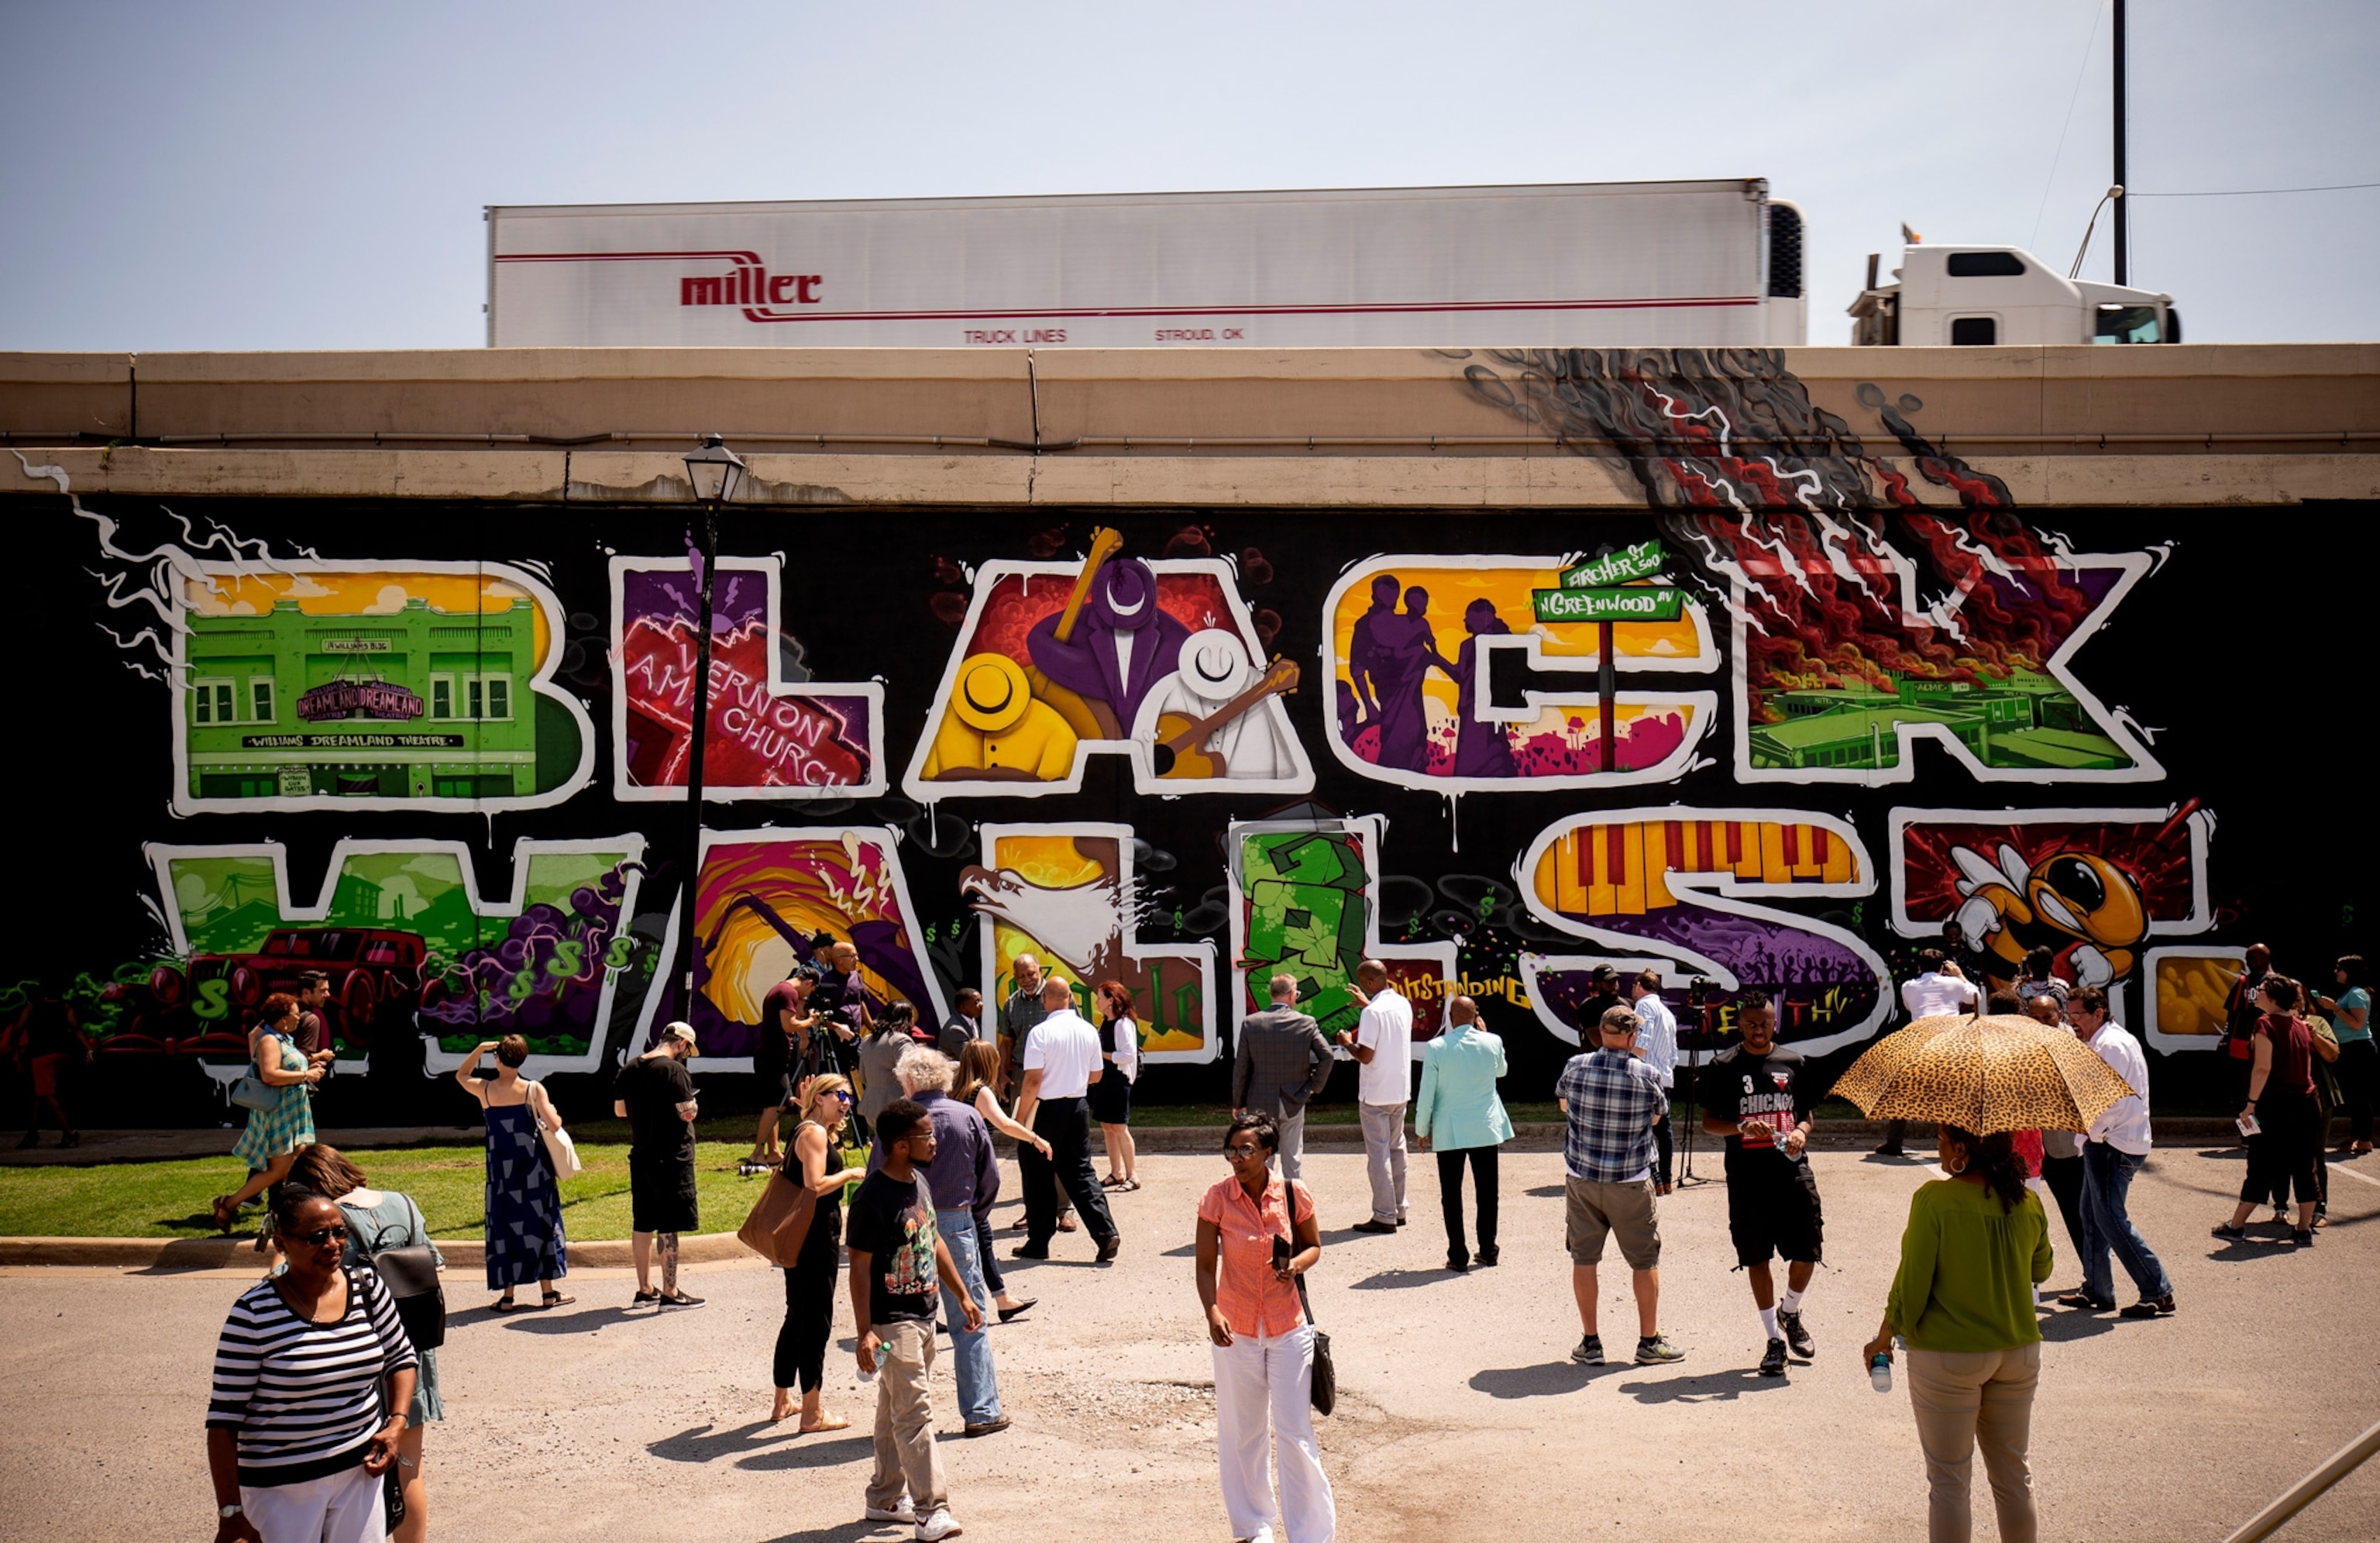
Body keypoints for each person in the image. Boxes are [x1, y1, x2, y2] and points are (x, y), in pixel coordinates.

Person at [1863, 1125, 2053, 1543]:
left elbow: (1911, 1288)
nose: (1938, 1146)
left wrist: (1883, 1338)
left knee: (1950, 1483)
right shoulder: (2028, 1201)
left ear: (1961, 1150)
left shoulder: (1934, 1200)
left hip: (1949, 1356)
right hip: (2019, 1350)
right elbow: (2042, 1271)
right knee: (2013, 1475)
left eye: (1941, 1140)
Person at [206, 1187, 418, 1543]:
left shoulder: (367, 1288)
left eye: (340, 1232)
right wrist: (230, 1513)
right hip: (281, 1491)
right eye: (317, 1236)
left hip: (360, 1478)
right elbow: (224, 1420)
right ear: (281, 1243)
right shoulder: (253, 1314)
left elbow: (401, 1357)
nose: (333, 1244)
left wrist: (397, 1423)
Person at [287, 1145, 442, 1543]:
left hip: (359, 1353)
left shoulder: (331, 1220)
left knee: (358, 1475)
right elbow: (434, 1262)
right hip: (414, 1349)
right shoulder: (403, 1203)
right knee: (409, 1467)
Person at [1195, 1113, 1334, 1543]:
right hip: (1236, 1329)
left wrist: (1294, 1265)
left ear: (1268, 1152)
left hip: (1288, 1327)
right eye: (1232, 1150)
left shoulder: (1293, 1194)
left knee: (1295, 1432)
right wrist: (1212, 1311)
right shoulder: (1217, 1198)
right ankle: (1255, 1527)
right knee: (1244, 1432)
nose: (1236, 1158)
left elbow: (1314, 1245)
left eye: (1246, 1150)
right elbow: (1204, 1265)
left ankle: (1311, 1533)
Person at [846, 1097, 981, 1541]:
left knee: (893, 1408)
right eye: (927, 1136)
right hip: (892, 1322)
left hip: (925, 1313)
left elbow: (933, 1237)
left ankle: (884, 1497)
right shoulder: (871, 1198)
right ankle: (931, 1510)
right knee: (916, 1412)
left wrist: (962, 1294)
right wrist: (865, 1331)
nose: (936, 1141)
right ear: (902, 1145)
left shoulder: (918, 1181)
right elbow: (860, 1267)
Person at [1698, 992, 1824, 1376]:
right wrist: (1739, 1127)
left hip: (1792, 1169)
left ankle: (1790, 1312)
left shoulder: (1792, 1062)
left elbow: (1806, 1115)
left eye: (1765, 1023)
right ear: (1740, 1025)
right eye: (1751, 1023)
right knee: (1756, 1257)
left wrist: (1801, 1131)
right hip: (1747, 1176)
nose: (1758, 1030)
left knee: (1807, 1250)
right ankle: (1773, 1340)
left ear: (1775, 1024)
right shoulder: (1723, 1066)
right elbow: (1708, 1123)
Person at [886, 1046, 1008, 1436]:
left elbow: (879, 1175)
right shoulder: (968, 1115)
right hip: (957, 1219)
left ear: (908, 1082)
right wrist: (974, 1214)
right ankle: (981, 1410)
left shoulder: (896, 1123)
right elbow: (989, 1175)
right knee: (969, 1317)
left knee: (903, 1321)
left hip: (907, 1220)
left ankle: (905, 1413)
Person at [1556, 1006, 1685, 1366]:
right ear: (1632, 1038)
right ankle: (1648, 1342)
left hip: (1582, 1178)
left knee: (1584, 1259)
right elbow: (1658, 1117)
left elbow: (1564, 1106)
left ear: (1600, 1031)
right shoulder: (1647, 1074)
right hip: (1630, 1181)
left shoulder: (1576, 1066)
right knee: (1644, 1261)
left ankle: (1591, 1343)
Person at [2055, 985, 2175, 1314]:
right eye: (2070, 1015)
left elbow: (2107, 1101)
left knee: (2110, 1220)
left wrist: (2087, 1130)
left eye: (2078, 1015)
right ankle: (2097, 1289)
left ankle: (2157, 1289)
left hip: (2111, 1143)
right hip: (2111, 1140)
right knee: (2092, 1217)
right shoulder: (2108, 1040)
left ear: (2098, 1013)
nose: (2073, 1021)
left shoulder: (2109, 1045)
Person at [772, 1074, 865, 1431]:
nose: (846, 1102)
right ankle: (811, 1412)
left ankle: (783, 1401)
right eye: (839, 1095)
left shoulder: (807, 1129)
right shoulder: (813, 1133)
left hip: (801, 1234)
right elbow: (815, 1185)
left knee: (796, 1315)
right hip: (814, 1235)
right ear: (819, 1097)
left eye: (850, 1097)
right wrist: (851, 1173)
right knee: (816, 1320)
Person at [455, 1035, 572, 1311]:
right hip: (534, 1168)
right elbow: (554, 1125)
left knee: (506, 1226)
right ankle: (548, 1292)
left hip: (501, 1171)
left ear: (497, 1058)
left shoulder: (485, 1090)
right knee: (542, 1223)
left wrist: (481, 1048)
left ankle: (508, 1297)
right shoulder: (533, 1089)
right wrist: (553, 1113)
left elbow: (461, 1074)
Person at [1013, 977, 1122, 1263]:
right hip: (1077, 1107)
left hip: (1045, 1110)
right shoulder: (1088, 1030)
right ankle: (1105, 1233)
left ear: (1045, 1000)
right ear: (1071, 998)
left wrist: (1022, 1119)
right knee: (1081, 1172)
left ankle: (1039, 1241)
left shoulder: (1040, 1032)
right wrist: (1072, 1079)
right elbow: (1097, 1076)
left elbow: (1033, 1079)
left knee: (1037, 1175)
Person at [2215, 976, 2321, 1246]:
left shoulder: (2265, 1023)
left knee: (2261, 1163)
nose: (2256, 993)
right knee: (2304, 1165)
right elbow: (2306, 1065)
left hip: (2277, 1102)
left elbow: (2263, 1067)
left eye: (2260, 991)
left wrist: (2251, 1103)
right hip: (2308, 1099)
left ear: (2272, 997)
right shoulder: (2300, 1024)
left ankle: (2236, 1225)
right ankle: (2303, 1229)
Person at [1412, 995, 1513, 1273]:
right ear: (1475, 1016)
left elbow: (1427, 1092)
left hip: (1450, 1129)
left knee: (1452, 1195)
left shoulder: (1436, 1047)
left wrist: (1422, 1128)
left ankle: (1458, 1256)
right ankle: (1489, 1250)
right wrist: (1485, 1033)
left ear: (1451, 1018)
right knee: (1487, 1192)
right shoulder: (1493, 1041)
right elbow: (1502, 1071)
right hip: (1484, 1127)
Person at [212, 994, 324, 1233]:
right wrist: (306, 1076)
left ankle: (285, 1216)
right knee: (279, 1170)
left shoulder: (284, 1039)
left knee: (297, 1165)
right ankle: (228, 1203)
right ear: (283, 1019)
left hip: (296, 1111)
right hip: (279, 1113)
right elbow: (270, 1075)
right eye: (295, 1015)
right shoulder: (269, 1041)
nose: (299, 1019)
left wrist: (310, 1069)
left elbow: (287, 1068)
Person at [951, 1041, 1044, 1321]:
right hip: (974, 1168)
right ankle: (1000, 1300)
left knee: (972, 1235)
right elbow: (1003, 1124)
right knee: (980, 1234)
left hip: (957, 1167)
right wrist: (1035, 1138)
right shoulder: (980, 1092)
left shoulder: (955, 1090)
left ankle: (1001, 1298)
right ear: (987, 1063)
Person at [612, 1021, 703, 1307]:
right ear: (682, 1044)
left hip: (642, 1154)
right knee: (668, 1223)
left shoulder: (630, 1068)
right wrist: (694, 1106)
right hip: (672, 1156)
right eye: (687, 1050)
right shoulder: (674, 1070)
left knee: (643, 1221)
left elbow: (619, 1110)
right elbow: (687, 1114)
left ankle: (644, 1288)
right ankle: (670, 1291)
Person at [1232, 975, 1334, 1181]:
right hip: (1295, 1099)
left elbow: (1241, 1067)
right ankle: (1293, 1207)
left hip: (1259, 1101)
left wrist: (1238, 1103)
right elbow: (1327, 1056)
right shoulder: (1306, 1023)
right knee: (1293, 1162)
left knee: (1261, 1159)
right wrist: (1314, 1086)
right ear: (1290, 994)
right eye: (1296, 993)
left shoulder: (1251, 1023)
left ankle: (1261, 1207)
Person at [1336, 959, 1413, 1231]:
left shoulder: (1373, 1013)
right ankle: (1399, 1208)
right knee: (1397, 1149)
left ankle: (1384, 1214)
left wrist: (1347, 1044)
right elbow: (1386, 1024)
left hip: (1376, 1093)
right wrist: (1367, 1006)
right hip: (1399, 1090)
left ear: (1369, 983)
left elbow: (1365, 1056)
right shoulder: (1402, 1004)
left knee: (1379, 1156)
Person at [1883, 949, 1981, 1156]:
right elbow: (1976, 997)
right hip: (1950, 1043)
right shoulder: (1954, 983)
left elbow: (1910, 1008)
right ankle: (1959, 1141)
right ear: (1942, 968)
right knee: (1955, 1093)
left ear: (1919, 967)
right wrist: (1959, 975)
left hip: (1919, 1042)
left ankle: (1894, 1142)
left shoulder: (1908, 986)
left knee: (1902, 1092)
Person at [749, 963, 810, 1168]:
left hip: (772, 1055)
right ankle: (758, 1153)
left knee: (777, 1103)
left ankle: (774, 1152)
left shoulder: (781, 989)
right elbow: (789, 1025)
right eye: (810, 991)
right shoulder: (787, 992)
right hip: (772, 1056)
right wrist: (812, 1022)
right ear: (809, 983)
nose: (806, 998)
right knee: (776, 1104)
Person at [9, 989, 87, 1149]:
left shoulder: (32, 1007)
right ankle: (32, 1134)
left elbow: (17, 1028)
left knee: (45, 1094)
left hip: (41, 1055)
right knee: (39, 1093)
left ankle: (69, 1133)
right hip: (60, 1054)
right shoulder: (65, 1007)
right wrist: (88, 1048)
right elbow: (76, 1028)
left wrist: (13, 1046)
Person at [2313, 956, 2373, 1156]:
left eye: (2340, 969)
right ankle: (2356, 1135)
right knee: (2353, 1094)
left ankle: (2364, 1139)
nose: (2336, 972)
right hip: (2349, 1047)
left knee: (2360, 1096)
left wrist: (2335, 1008)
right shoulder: (2350, 992)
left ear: (2350, 972)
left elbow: (2357, 1024)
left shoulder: (2357, 994)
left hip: (2358, 1048)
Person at [1628, 970, 1680, 1193]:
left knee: (1642, 1129)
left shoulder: (1643, 1006)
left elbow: (1643, 1039)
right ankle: (1666, 1180)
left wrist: (1630, 1065)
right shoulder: (1668, 1013)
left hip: (1645, 1076)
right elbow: (1674, 1053)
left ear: (1639, 985)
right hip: (1664, 1076)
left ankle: (1654, 1178)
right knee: (1663, 1131)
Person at [1092, 979, 1141, 1192]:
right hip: (1104, 1080)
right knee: (1107, 1127)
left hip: (1119, 1081)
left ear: (1111, 1000)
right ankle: (1116, 1173)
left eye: (1100, 997)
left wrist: (1102, 1055)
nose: (1097, 1001)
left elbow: (1128, 1055)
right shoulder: (1106, 1022)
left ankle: (1133, 1176)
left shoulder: (1123, 1024)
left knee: (1120, 1128)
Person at [859, 1002, 923, 1126]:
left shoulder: (868, 1040)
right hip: (897, 1108)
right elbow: (912, 1074)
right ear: (908, 1019)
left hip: (871, 1107)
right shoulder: (901, 1040)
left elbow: (862, 1076)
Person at [996, 952, 1051, 1095]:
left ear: (1040, 971)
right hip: (1021, 1074)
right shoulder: (1011, 1003)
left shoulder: (1058, 995)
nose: (1027, 980)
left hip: (1052, 1072)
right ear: (1015, 978)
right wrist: (1002, 1074)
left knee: (1052, 1117)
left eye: (1031, 974)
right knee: (1020, 1117)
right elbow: (1007, 1043)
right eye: (1021, 976)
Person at [2010, 945, 2069, 1009]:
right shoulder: (2063, 985)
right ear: (2052, 963)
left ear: (2029, 966)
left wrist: (2015, 985)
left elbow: (2010, 1002)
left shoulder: (2022, 992)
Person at [940, 987, 984, 1064]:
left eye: (980, 1001)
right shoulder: (955, 1030)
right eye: (976, 1002)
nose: (981, 1004)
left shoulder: (971, 1019)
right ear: (963, 1008)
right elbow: (968, 1057)